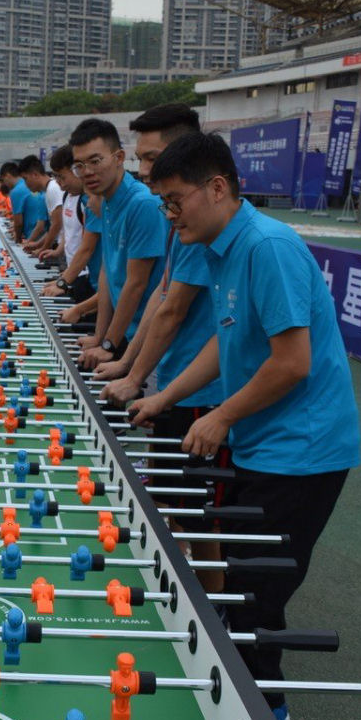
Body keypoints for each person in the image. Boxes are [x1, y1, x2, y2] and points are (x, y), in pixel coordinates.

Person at [131, 131, 361, 720]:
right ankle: (247, 692)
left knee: (255, 590)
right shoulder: (219, 248)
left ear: (218, 188)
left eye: (176, 199)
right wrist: (167, 396)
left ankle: (267, 715)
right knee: (238, 574)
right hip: (264, 441)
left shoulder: (267, 247)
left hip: (302, 448)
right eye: (163, 202)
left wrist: (222, 415)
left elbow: (292, 362)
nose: (170, 213)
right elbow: (226, 339)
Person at [95, 104, 226, 591]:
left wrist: (132, 375)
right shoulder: (174, 211)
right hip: (173, 378)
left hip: (201, 393)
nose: (144, 170)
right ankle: (186, 571)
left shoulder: (195, 216)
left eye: (153, 158)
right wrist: (128, 363)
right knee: (175, 495)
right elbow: (161, 293)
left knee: (199, 508)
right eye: (142, 160)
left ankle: (212, 601)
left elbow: (171, 309)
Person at [70, 118, 168, 368]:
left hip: (149, 339)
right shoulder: (106, 201)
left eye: (95, 161)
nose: (87, 172)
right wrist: (100, 337)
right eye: (80, 165)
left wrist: (109, 345)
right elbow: (108, 273)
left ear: (119, 157)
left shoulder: (142, 204)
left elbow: (136, 283)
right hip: (125, 331)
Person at [40, 145, 96, 303]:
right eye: (56, 177)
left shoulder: (89, 203)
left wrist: (63, 282)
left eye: (62, 177)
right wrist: (58, 250)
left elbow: (87, 247)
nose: (59, 183)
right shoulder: (67, 197)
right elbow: (68, 230)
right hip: (72, 273)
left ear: (77, 170)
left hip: (86, 276)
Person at [18, 154, 64, 256]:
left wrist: (42, 249)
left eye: (25, 179)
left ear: (35, 175)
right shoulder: (48, 191)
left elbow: (57, 225)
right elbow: (53, 228)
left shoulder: (53, 189)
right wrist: (37, 244)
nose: (26, 184)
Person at [0, 161, 29, 243]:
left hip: (31, 236)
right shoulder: (26, 184)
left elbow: (18, 222)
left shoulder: (16, 191)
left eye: (3, 180)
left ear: (8, 175)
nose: (4, 183)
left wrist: (17, 239)